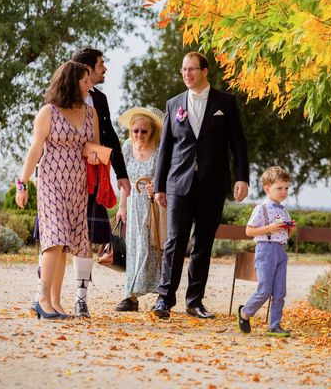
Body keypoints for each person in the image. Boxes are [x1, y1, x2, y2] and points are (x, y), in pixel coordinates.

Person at [153, 51, 249, 319]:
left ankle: (195, 302)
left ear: (205, 71)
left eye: (192, 69)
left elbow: (238, 144)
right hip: (178, 183)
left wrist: (242, 177)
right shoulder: (173, 104)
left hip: (213, 184)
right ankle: (164, 300)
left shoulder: (225, 103)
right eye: (183, 70)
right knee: (174, 241)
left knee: (203, 243)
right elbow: (165, 148)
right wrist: (159, 185)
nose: (187, 74)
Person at [16, 61, 95, 320]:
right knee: (55, 237)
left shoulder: (89, 112)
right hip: (51, 181)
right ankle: (41, 299)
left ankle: (55, 302)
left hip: (78, 184)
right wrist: (22, 183)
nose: (89, 84)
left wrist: (99, 158)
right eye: (85, 81)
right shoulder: (48, 112)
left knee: (65, 244)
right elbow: (35, 149)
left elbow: (93, 147)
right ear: (71, 82)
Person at [69, 48, 131, 318]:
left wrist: (122, 174)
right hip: (66, 177)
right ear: (85, 67)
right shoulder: (64, 96)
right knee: (56, 240)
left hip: (94, 178)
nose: (105, 69)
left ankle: (80, 299)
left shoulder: (100, 99)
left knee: (85, 240)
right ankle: (43, 295)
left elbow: (110, 137)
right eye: (101, 64)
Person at [114, 107, 166, 311]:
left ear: (151, 131)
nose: (139, 135)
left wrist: (158, 184)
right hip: (134, 201)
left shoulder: (160, 147)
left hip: (153, 203)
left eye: (144, 131)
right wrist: (121, 207)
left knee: (153, 247)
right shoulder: (127, 146)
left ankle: (160, 295)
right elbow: (124, 180)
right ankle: (131, 296)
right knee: (135, 248)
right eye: (136, 130)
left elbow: (167, 173)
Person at [237, 166, 295, 337]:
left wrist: (291, 229)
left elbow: (284, 235)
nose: (283, 192)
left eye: (286, 188)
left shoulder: (284, 210)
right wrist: (270, 228)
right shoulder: (261, 209)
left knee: (280, 292)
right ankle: (245, 313)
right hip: (265, 251)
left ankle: (274, 325)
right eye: (279, 188)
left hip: (281, 252)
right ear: (268, 188)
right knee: (265, 290)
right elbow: (249, 231)